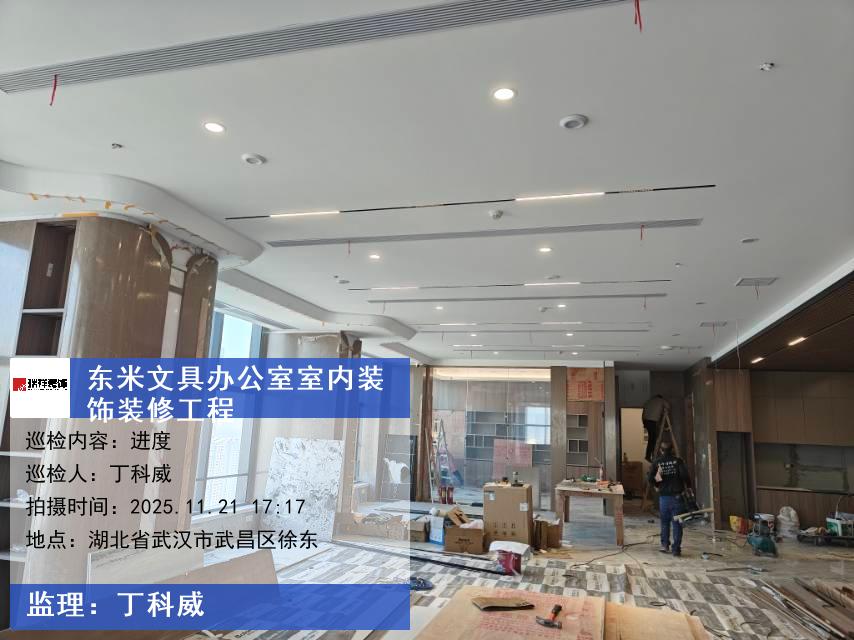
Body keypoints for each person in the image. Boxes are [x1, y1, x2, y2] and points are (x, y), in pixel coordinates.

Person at [647, 441, 692, 557]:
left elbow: (650, 478)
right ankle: (676, 550)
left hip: (664, 497)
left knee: (665, 522)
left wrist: (656, 486)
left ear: (661, 450)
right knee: (677, 523)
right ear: (672, 450)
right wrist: (689, 487)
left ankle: (665, 545)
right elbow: (685, 476)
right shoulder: (678, 461)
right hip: (677, 497)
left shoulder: (657, 462)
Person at [641, 394, 670, 462]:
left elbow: (644, 412)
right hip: (652, 421)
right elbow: (668, 406)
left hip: (646, 421)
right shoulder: (661, 400)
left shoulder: (649, 401)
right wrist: (665, 410)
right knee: (653, 439)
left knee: (652, 438)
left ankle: (650, 454)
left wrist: (644, 423)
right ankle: (650, 455)